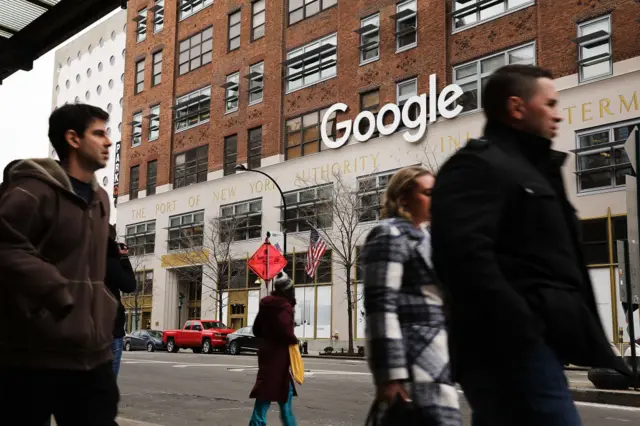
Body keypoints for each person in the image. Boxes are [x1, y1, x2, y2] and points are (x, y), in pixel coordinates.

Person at [430, 65, 630, 426]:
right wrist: (523, 326)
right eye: (550, 103)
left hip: (533, 346)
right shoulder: (476, 166)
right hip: (509, 349)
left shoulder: (533, 170)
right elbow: (463, 259)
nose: (558, 113)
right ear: (517, 107)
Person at [0, 103, 119, 426]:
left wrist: (103, 307)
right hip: (31, 356)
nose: (109, 141)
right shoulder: (32, 190)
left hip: (92, 356)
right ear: (73, 139)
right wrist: (56, 290)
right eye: (99, 133)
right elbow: (6, 246)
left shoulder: (101, 199)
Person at [360, 166, 461, 425]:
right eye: (428, 192)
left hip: (437, 359)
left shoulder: (428, 237)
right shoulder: (388, 233)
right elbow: (380, 307)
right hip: (411, 360)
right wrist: (390, 376)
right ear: (403, 197)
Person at [249, 271, 299, 426]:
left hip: (266, 357)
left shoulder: (265, 304)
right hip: (279, 359)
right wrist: (294, 340)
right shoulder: (285, 307)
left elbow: (256, 329)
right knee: (285, 397)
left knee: (264, 396)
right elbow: (285, 331)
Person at [106, 224, 137, 378]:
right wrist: (124, 257)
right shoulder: (111, 260)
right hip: (110, 326)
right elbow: (129, 285)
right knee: (108, 380)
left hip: (81, 325)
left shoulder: (80, 254)